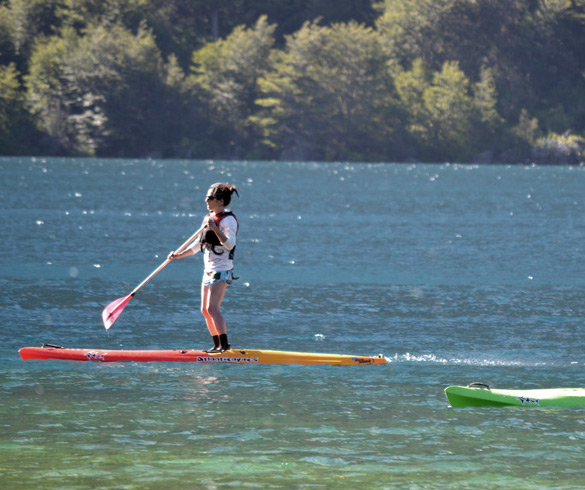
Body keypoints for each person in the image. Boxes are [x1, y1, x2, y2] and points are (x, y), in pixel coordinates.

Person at [168, 183, 239, 353]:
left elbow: (229, 244)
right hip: (208, 270)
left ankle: (225, 345)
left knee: (213, 308)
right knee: (205, 310)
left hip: (221, 270)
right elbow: (198, 246)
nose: (206, 200)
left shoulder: (228, 219)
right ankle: (216, 345)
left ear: (220, 201)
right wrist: (178, 255)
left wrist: (214, 228)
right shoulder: (208, 217)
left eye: (210, 198)